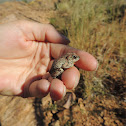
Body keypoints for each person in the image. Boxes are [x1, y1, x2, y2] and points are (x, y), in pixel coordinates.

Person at [0, 20, 98, 101]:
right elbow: (63, 66)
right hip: (56, 69)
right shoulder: (67, 61)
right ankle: (55, 77)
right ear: (69, 58)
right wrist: (70, 65)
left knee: (61, 81)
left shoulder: (67, 59)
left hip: (54, 68)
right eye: (74, 57)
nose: (75, 58)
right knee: (59, 75)